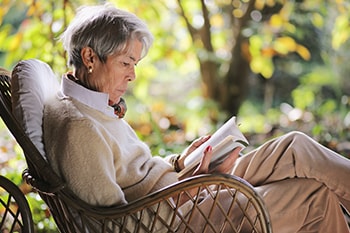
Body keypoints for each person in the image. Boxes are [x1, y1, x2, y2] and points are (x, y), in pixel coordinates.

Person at [42, 3, 350, 232]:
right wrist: (189, 188)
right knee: (315, 196)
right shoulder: (79, 129)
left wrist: (180, 163)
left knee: (294, 147)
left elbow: (137, 173)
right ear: (90, 57)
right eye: (126, 63)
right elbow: (114, 225)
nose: (132, 75)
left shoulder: (93, 102)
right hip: (176, 215)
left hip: (179, 189)